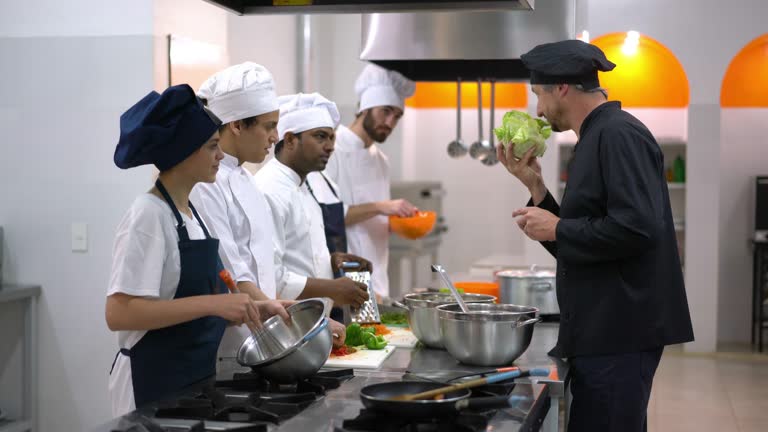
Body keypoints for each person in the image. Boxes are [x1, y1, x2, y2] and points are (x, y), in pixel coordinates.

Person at [497, 39, 694, 432]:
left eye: (538, 94)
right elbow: (586, 244)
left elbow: (637, 229)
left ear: (562, 87)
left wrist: (557, 226)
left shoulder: (618, 134)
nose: (537, 109)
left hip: (619, 333)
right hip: (601, 331)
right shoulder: (594, 137)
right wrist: (537, 188)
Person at [105, 84, 290, 416]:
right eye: (212, 147)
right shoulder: (149, 214)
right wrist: (214, 304)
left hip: (193, 381)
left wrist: (255, 308)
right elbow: (120, 313)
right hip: (152, 381)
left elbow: (201, 306)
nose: (220, 156)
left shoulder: (192, 213)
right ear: (184, 152)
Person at [254, 92, 372, 309]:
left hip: (312, 324)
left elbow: (297, 256)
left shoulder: (305, 186)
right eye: (320, 136)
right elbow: (270, 276)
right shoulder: (269, 189)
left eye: (331, 137)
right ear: (290, 140)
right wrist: (332, 288)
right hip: (286, 327)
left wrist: (332, 260)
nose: (330, 146)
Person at [319, 64, 418, 298]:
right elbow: (325, 216)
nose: (391, 122)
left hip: (378, 272)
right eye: (385, 111)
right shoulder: (331, 150)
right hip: (342, 275)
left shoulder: (381, 160)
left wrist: (402, 222)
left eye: (397, 115)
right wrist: (382, 207)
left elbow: (375, 218)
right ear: (365, 108)